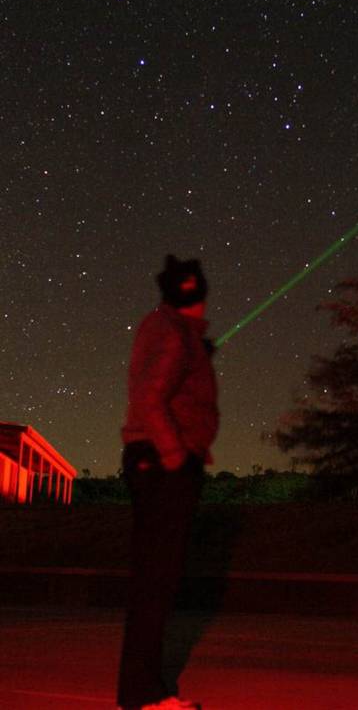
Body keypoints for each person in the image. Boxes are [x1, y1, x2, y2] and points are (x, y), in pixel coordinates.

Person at [117, 255, 220, 710]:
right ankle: (144, 695)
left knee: (153, 580)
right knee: (156, 580)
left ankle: (140, 692)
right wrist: (177, 455)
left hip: (154, 461)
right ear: (192, 294)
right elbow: (150, 396)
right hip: (162, 464)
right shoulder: (174, 332)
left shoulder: (167, 330)